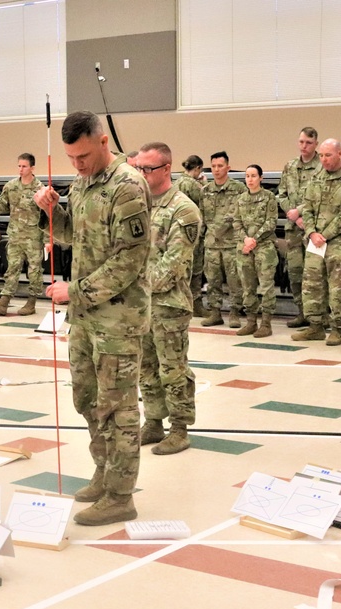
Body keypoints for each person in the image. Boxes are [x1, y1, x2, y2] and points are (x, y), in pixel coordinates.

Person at [34, 110, 151, 526]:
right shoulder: (82, 184)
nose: (77, 164)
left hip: (117, 318)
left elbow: (131, 259)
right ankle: (104, 473)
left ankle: (122, 495)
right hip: (85, 317)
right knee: (86, 399)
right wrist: (52, 213)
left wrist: (76, 290)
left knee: (118, 407)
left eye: (82, 155)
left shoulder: (128, 186)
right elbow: (74, 235)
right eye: (70, 158)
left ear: (103, 142)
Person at [135, 142, 199, 456]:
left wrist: (134, 283)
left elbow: (173, 265)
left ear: (166, 168)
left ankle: (179, 428)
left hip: (168, 304)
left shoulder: (183, 209)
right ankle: (154, 420)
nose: (142, 174)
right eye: (139, 168)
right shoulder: (138, 203)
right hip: (140, 304)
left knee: (172, 368)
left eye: (148, 168)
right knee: (145, 366)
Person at [292, 139, 341, 346]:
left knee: (338, 288)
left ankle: (337, 328)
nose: (324, 160)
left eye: (329, 155)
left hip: (340, 242)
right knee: (312, 285)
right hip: (315, 242)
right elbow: (306, 207)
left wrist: (323, 234)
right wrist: (311, 232)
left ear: (340, 154)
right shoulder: (316, 177)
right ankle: (315, 326)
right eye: (322, 155)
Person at [0, 152, 44, 316]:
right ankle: (4, 302)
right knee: (12, 268)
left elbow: (47, 215)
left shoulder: (40, 189)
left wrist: (49, 239)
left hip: (33, 236)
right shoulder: (11, 186)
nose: (21, 169)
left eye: (24, 166)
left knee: (34, 271)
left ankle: (31, 302)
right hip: (15, 235)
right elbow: (3, 205)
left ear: (32, 168)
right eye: (19, 166)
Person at [276, 127, 322, 328]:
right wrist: (293, 215)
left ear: (316, 144)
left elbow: (321, 196)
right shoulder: (290, 166)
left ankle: (319, 316)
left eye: (309, 143)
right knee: (295, 272)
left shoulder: (322, 166)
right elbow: (281, 194)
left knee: (316, 274)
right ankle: (302, 312)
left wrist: (300, 212)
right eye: (301, 142)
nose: (304, 146)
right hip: (294, 229)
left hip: (315, 229)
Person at [200, 151, 248, 328]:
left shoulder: (238, 189)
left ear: (228, 167)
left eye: (220, 166)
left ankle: (235, 312)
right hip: (212, 244)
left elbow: (241, 214)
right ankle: (215, 312)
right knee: (212, 280)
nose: (216, 169)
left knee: (234, 280)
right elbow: (202, 216)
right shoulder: (205, 191)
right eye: (213, 166)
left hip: (231, 243)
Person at [234, 165, 278, 338]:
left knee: (266, 286)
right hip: (244, 248)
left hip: (264, 248)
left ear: (261, 177)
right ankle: (251, 321)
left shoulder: (268, 198)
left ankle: (266, 323)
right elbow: (236, 222)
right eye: (247, 176)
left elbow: (270, 222)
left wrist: (254, 239)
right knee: (247, 286)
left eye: (253, 176)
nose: (250, 179)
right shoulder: (241, 199)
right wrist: (245, 239)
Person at [176, 155, 205, 316]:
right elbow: (206, 200)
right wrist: (203, 183)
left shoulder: (177, 182)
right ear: (197, 168)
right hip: (194, 233)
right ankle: (196, 304)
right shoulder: (194, 185)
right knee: (196, 270)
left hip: (178, 233)